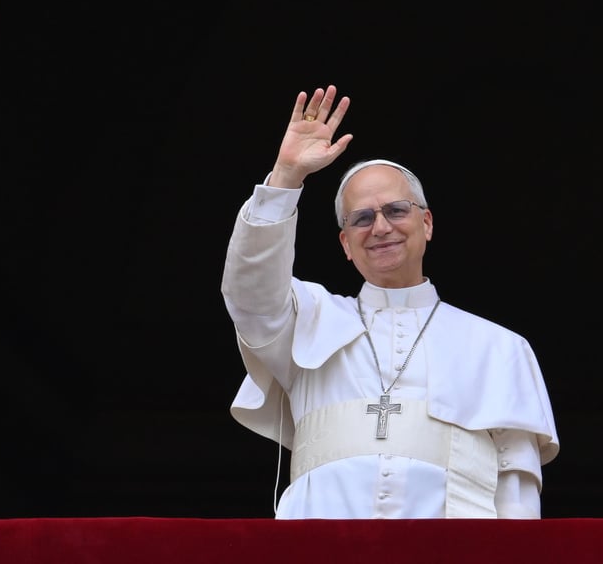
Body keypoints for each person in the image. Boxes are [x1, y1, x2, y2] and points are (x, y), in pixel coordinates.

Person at [222, 84, 559, 519]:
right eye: (362, 218)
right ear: (345, 243)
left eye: (396, 211)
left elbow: (517, 487)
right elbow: (249, 293)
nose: (380, 227)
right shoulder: (305, 319)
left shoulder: (500, 348)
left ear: (427, 223)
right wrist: (286, 178)